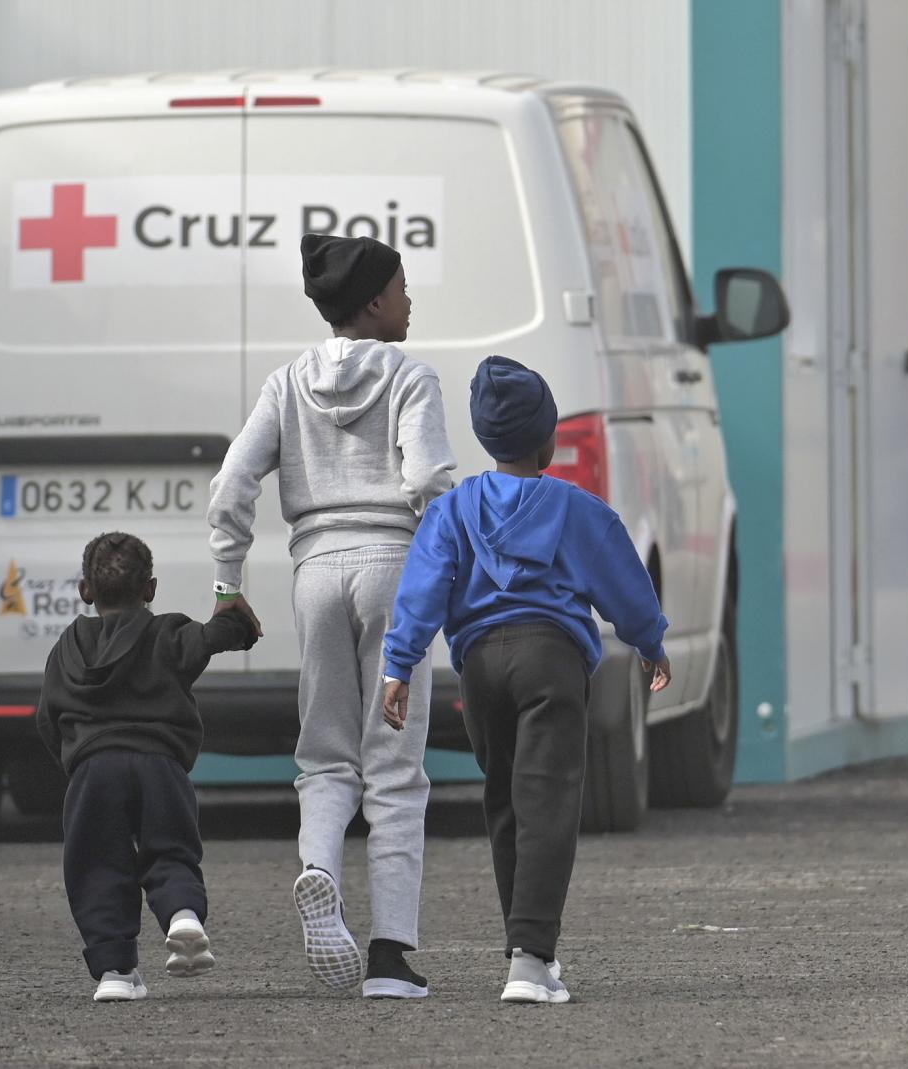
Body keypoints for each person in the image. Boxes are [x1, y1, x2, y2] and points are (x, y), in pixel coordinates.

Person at [207, 234, 456, 999]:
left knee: (324, 754)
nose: (411, 301)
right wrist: (452, 570)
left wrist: (226, 580)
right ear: (376, 301)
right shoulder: (412, 378)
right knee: (395, 766)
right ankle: (389, 957)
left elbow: (232, 482)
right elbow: (430, 480)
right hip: (393, 568)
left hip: (314, 572)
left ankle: (319, 865)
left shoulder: (286, 383)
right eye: (404, 288)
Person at [381, 355, 671, 1005]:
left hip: (479, 667)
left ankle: (525, 951)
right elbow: (625, 584)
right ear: (549, 438)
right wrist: (650, 641)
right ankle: (531, 959)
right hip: (551, 662)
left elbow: (423, 590)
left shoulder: (453, 511)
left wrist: (400, 663)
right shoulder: (576, 508)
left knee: (507, 802)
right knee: (549, 805)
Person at [35, 531, 257, 1003]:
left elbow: (47, 719)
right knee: (171, 849)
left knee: (96, 863)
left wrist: (75, 763)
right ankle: (182, 916)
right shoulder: (169, 633)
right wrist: (237, 613)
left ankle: (115, 973)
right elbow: (218, 635)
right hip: (161, 766)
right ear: (150, 589)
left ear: (85, 591)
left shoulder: (67, 648)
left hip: (93, 768)